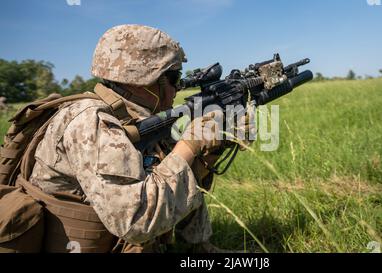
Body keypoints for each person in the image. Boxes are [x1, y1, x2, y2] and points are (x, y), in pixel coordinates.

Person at [17, 24, 252, 253]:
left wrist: (217, 142)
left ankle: (200, 247)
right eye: (173, 77)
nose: (178, 87)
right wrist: (190, 144)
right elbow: (137, 221)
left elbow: (185, 178)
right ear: (146, 81)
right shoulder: (91, 121)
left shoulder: (129, 117)